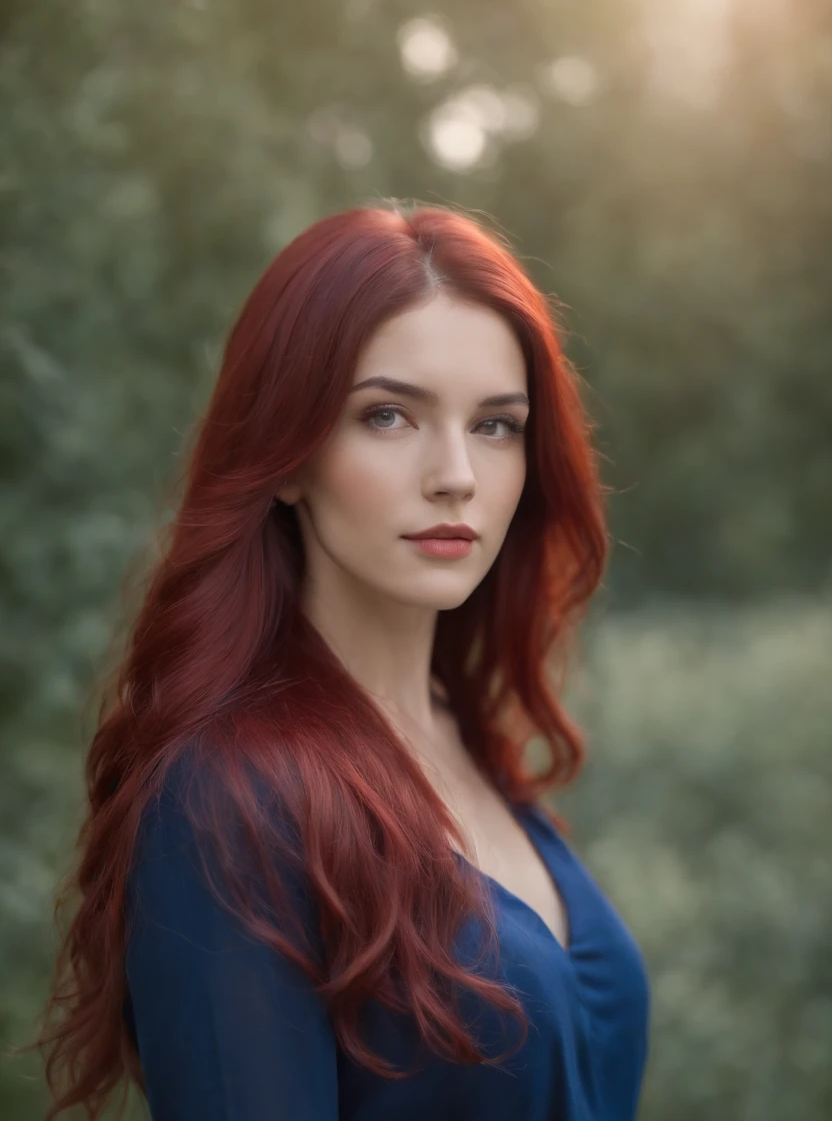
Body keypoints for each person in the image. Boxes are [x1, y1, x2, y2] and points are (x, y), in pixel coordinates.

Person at [36, 200, 650, 1120]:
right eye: (390, 415)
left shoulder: (465, 733)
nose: (457, 475)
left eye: (496, 425)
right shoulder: (225, 803)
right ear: (286, 457)